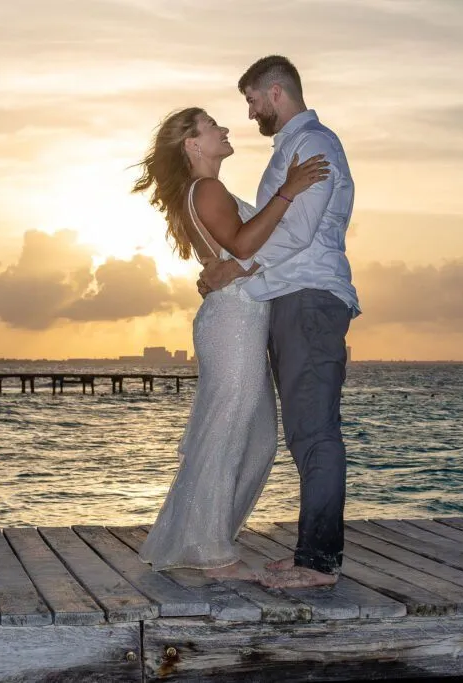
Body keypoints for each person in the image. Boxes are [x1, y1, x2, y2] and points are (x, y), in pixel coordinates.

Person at [132, 106, 329, 578]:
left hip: (242, 319)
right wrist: (288, 192)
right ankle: (211, 553)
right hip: (233, 322)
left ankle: (205, 536)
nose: (223, 129)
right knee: (228, 433)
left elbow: (244, 253)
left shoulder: (206, 189)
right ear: (193, 145)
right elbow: (243, 244)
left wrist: (246, 256)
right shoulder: (207, 188)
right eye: (211, 126)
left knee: (257, 439)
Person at [198, 56, 360, 589]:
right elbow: (278, 228)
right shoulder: (294, 150)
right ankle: (309, 554)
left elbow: (298, 233)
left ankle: (318, 564)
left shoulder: (314, 145)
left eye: (251, 100)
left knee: (314, 432)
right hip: (293, 296)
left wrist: (236, 267)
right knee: (303, 432)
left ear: (274, 92)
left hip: (310, 298)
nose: (248, 113)